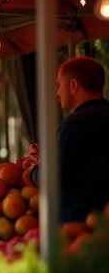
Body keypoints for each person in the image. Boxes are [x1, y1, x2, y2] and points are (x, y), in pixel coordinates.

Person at [20, 56, 109, 223]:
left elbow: (51, 177)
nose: (57, 92)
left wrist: (31, 172)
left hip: (79, 224)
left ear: (73, 85)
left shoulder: (73, 125)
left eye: (59, 85)